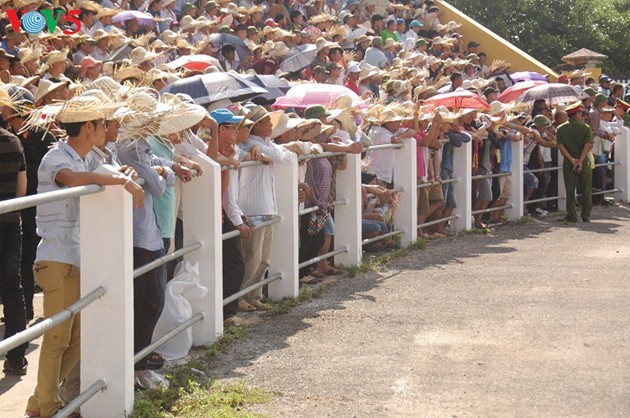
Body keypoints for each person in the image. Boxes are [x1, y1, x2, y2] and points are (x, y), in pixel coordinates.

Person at [26, 94, 144, 418]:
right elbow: (73, 180)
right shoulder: (57, 158)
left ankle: (39, 401)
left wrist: (120, 173)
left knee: (75, 341)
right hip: (56, 258)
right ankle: (47, 406)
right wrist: (121, 179)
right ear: (89, 127)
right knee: (57, 339)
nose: (107, 128)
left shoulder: (85, 157)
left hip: (76, 257)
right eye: (102, 123)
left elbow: (102, 168)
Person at [0, 89, 28, 377]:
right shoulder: (13, 142)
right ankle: (17, 358)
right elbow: (21, 190)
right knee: (12, 290)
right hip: (10, 223)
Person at [556, 101, 594, 223]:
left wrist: (572, 160)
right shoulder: (585, 128)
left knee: (570, 189)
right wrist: (580, 161)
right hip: (584, 161)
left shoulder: (560, 128)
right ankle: (586, 215)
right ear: (577, 114)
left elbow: (561, 146)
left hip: (569, 161)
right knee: (586, 188)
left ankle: (571, 215)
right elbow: (587, 146)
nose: (582, 115)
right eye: (581, 113)